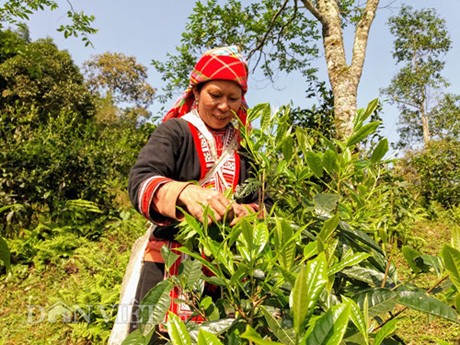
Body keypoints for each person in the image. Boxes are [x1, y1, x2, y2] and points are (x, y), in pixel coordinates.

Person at [127, 46, 272, 338]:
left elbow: (265, 200)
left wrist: (248, 213)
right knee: (154, 337)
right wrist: (183, 193)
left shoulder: (246, 147)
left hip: (226, 271)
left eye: (233, 98)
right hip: (167, 266)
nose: (223, 106)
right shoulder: (175, 132)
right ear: (196, 92)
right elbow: (140, 180)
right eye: (215, 95)